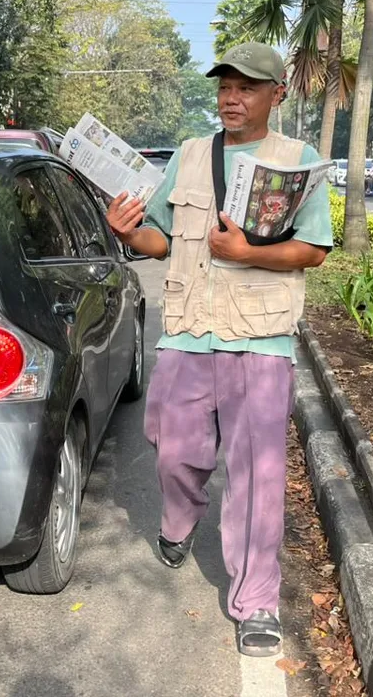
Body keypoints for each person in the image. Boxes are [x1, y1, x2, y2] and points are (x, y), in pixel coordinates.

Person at [105, 42, 332, 658]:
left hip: (260, 338)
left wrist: (249, 253)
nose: (232, 98)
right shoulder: (189, 155)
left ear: (276, 95)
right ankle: (180, 520)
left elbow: (313, 250)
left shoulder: (297, 162)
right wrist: (129, 232)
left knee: (258, 474)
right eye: (225, 87)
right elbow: (159, 239)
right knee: (172, 450)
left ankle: (256, 600)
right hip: (188, 330)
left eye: (247, 88)